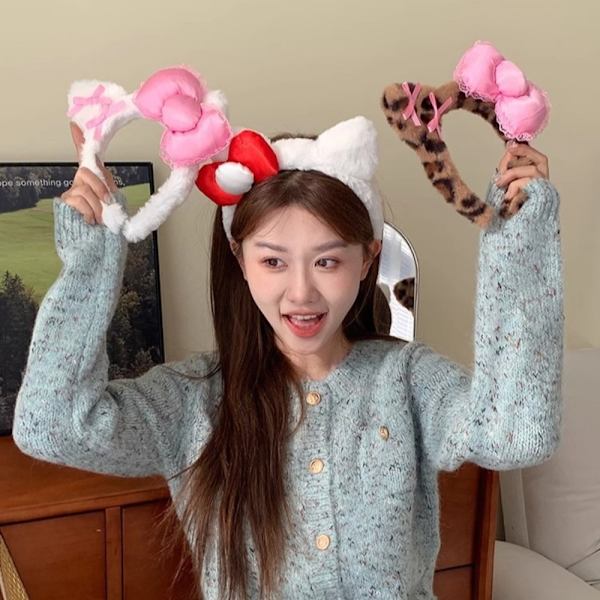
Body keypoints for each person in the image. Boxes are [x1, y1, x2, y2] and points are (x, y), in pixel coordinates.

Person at [13, 115, 563, 600]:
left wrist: (519, 239)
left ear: (367, 258)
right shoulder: (192, 401)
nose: (301, 294)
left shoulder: (409, 382)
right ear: (240, 259)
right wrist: (91, 261)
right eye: (273, 262)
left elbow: (515, 435)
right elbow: (51, 426)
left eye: (327, 262)